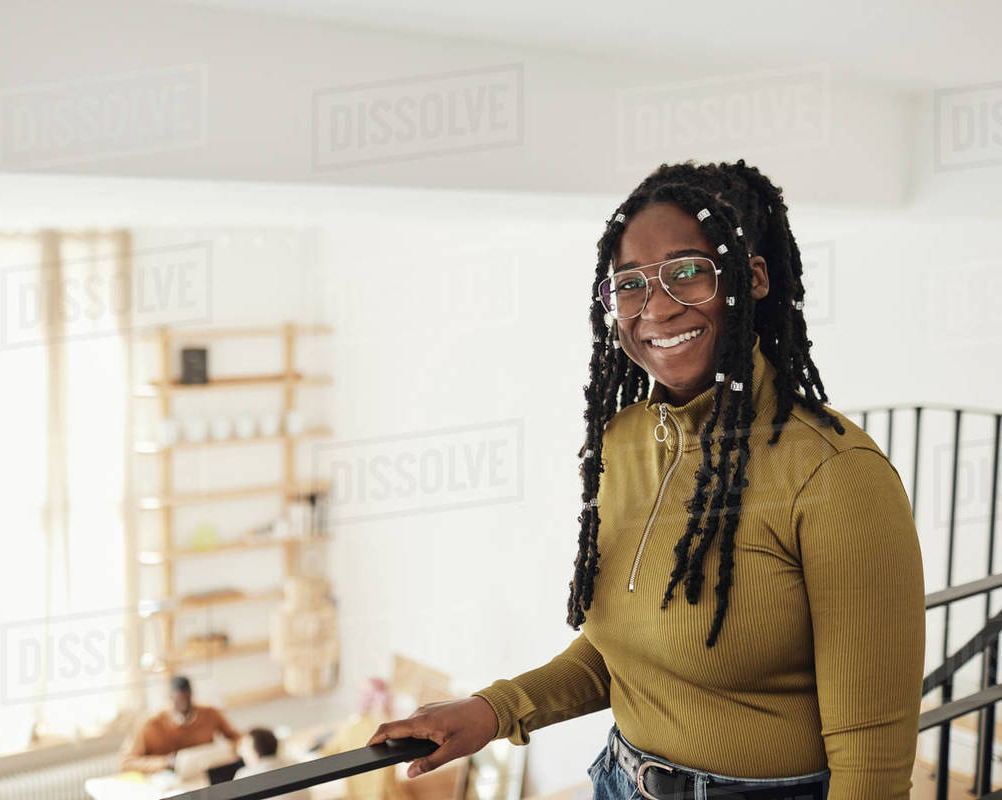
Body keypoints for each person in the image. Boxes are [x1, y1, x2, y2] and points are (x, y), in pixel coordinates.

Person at [365, 160, 925, 799]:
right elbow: (626, 654)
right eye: (629, 283)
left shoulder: (835, 474)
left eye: (688, 271)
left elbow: (872, 759)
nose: (656, 306)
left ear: (754, 279)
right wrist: (495, 710)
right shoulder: (625, 441)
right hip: (619, 781)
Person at [120, 675, 243, 774]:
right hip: (166, 780)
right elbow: (126, 763)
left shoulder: (210, 713)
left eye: (187, 699)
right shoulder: (149, 723)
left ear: (191, 695)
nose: (183, 706)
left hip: (202, 776)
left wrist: (230, 752)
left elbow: (237, 738)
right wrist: (165, 763)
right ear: (170, 698)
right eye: (178, 701)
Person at [233, 727, 312, 800]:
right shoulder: (294, 764)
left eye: (244, 749)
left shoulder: (244, 775)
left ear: (255, 753)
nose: (240, 753)